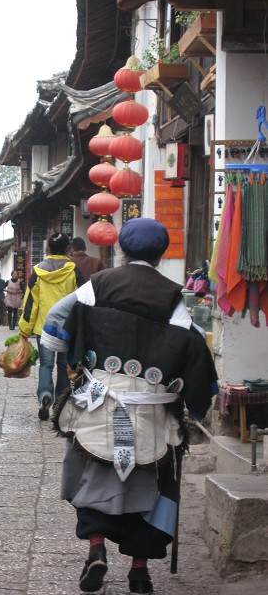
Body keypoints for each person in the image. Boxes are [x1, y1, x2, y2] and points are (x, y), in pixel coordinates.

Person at [41, 218, 218, 594]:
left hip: (98, 403)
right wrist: (197, 405)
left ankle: (96, 549)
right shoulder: (173, 297)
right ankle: (139, 571)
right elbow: (196, 350)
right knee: (155, 484)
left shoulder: (98, 285)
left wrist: (63, 354)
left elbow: (57, 320)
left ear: (122, 249)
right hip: (150, 412)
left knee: (87, 473)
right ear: (161, 254)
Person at [19, 232, 84, 420]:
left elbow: (31, 303)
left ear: (48, 249)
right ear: (67, 249)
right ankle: (61, 403)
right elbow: (82, 298)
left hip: (43, 328)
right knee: (63, 365)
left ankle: (45, 396)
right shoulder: (74, 271)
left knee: (46, 364)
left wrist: (25, 328)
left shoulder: (38, 271)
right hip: (66, 327)